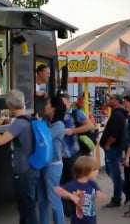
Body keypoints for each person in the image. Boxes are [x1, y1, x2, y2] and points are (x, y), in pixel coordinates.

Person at [0, 89, 40, 224]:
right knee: (26, 206)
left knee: (27, 208)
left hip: (23, 171)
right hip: (33, 167)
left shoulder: (18, 124)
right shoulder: (30, 118)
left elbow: (0, 141)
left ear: (10, 106)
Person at [60, 93, 94, 216]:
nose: (62, 105)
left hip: (72, 153)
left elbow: (90, 125)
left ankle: (77, 209)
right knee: (62, 182)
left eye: (64, 102)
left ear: (69, 102)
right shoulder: (55, 114)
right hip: (58, 155)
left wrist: (73, 131)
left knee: (74, 181)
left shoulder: (76, 113)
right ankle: (65, 210)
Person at [38, 96, 67, 224]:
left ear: (53, 108)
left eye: (47, 104)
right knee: (42, 199)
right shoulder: (47, 122)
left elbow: (45, 137)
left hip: (53, 166)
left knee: (54, 199)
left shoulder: (59, 125)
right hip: (43, 164)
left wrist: (38, 124)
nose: (45, 106)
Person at [55, 156, 107, 224]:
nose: (97, 171)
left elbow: (99, 192)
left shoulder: (92, 183)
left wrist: (100, 194)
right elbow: (57, 190)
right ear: (87, 171)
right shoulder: (73, 185)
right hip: (77, 221)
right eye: (95, 169)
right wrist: (71, 196)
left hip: (91, 220)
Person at [99, 93, 127, 208]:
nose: (108, 100)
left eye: (110, 99)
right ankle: (128, 192)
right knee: (112, 172)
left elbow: (114, 134)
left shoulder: (117, 115)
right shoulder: (119, 114)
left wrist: (107, 144)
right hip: (115, 148)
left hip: (113, 148)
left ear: (116, 101)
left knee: (114, 173)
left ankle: (117, 199)